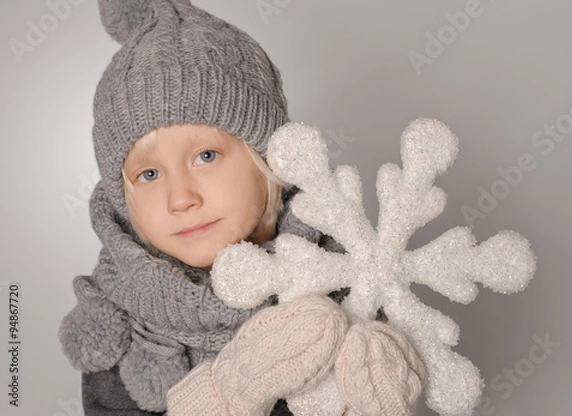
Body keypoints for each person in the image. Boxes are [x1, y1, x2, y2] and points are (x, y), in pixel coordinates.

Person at [59, 1, 425, 415]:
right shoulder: (125, 324)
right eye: (149, 175)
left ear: (268, 160)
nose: (180, 199)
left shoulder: (343, 276)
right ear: (125, 203)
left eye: (207, 157)